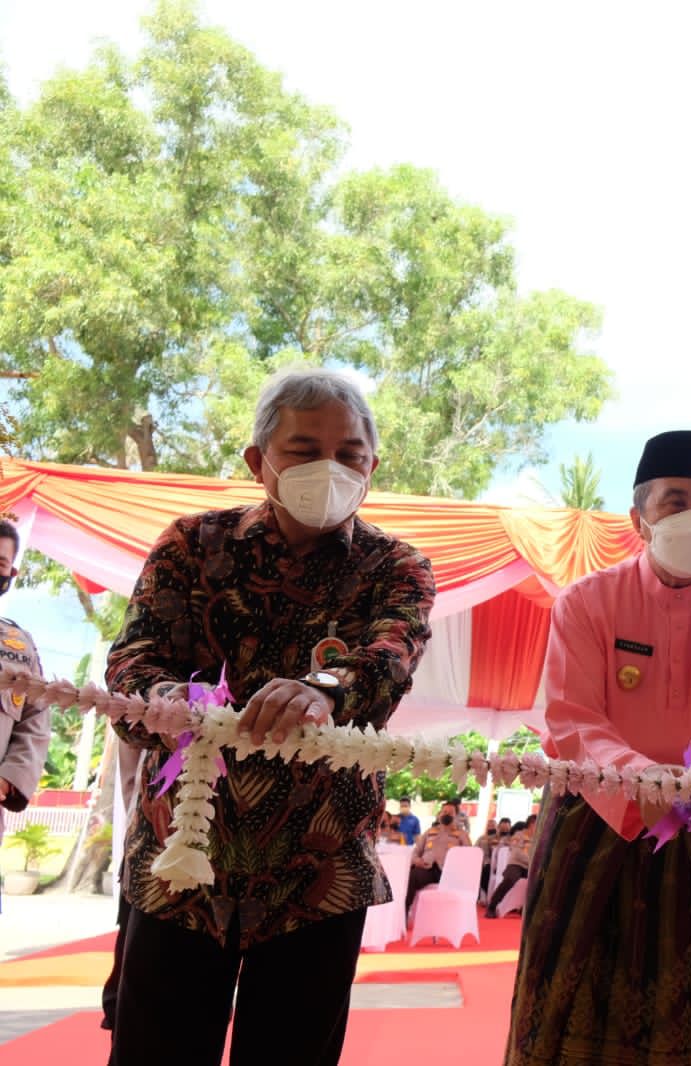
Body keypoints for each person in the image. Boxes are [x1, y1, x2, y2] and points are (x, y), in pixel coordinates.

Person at [104, 367, 434, 1066]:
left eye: (349, 453)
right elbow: (132, 661)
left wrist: (324, 688)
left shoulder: (396, 566)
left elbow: (391, 653)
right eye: (303, 448)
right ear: (259, 461)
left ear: (372, 466)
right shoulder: (192, 546)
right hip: (182, 857)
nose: (329, 467)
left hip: (319, 870)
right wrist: (161, 701)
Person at [504, 429, 691, 1066]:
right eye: (675, 501)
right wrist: (642, 776)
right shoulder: (588, 601)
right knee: (563, 1005)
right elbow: (574, 718)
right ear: (638, 517)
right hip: (591, 826)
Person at [0, 518, 48, 915]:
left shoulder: (18, 646)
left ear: (11, 573)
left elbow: (35, 718)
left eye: (0, 563)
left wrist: (9, 779)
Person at [408, 801, 472, 908]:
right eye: (444, 811)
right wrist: (417, 861)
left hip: (449, 872)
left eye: (450, 812)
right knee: (412, 876)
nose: (446, 814)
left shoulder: (461, 834)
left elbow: (469, 854)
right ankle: (404, 912)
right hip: (427, 868)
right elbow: (415, 851)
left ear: (456, 816)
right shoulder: (429, 832)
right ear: (440, 814)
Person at [487, 820, 532, 918]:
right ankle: (492, 906)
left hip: (532, 867)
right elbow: (516, 852)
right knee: (510, 878)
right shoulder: (518, 836)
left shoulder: (539, 836)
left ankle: (526, 909)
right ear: (530, 824)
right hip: (516, 864)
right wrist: (532, 861)